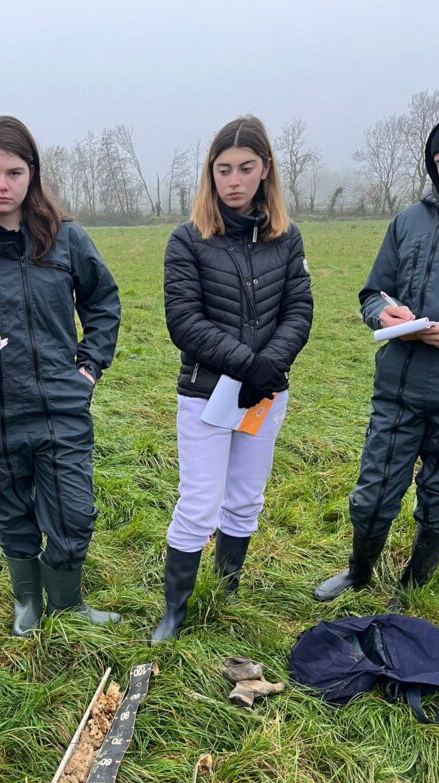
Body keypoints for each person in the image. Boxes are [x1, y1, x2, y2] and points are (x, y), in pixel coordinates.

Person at [0, 116, 122, 637]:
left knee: (73, 513)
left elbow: (103, 303)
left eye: (15, 172)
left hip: (60, 407)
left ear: (33, 175)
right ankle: (28, 600)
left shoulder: (66, 240)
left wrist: (89, 367)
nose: (2, 185)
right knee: (10, 511)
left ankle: (67, 601)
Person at [152, 115, 313, 642]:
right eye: (224, 169)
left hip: (265, 395)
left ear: (266, 170)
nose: (235, 180)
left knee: (245, 497)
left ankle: (227, 587)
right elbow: (184, 321)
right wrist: (248, 364)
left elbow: (299, 310)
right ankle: (174, 610)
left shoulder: (286, 240)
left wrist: (270, 368)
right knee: (200, 502)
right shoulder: (187, 240)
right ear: (211, 173)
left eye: (246, 168)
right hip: (206, 395)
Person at [315, 112, 439, 604]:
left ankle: (411, 587)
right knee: (374, 496)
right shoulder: (407, 222)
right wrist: (383, 314)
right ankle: (359, 571)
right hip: (399, 389)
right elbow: (373, 291)